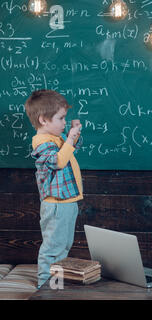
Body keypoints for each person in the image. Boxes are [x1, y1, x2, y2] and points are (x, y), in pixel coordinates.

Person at [25, 89, 83, 288]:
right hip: (56, 205)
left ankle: (55, 286)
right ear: (43, 120)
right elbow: (58, 161)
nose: (64, 122)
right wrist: (68, 140)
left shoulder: (55, 139)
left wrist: (72, 136)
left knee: (63, 247)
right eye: (61, 118)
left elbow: (69, 150)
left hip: (67, 203)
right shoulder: (41, 143)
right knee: (53, 249)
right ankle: (45, 288)